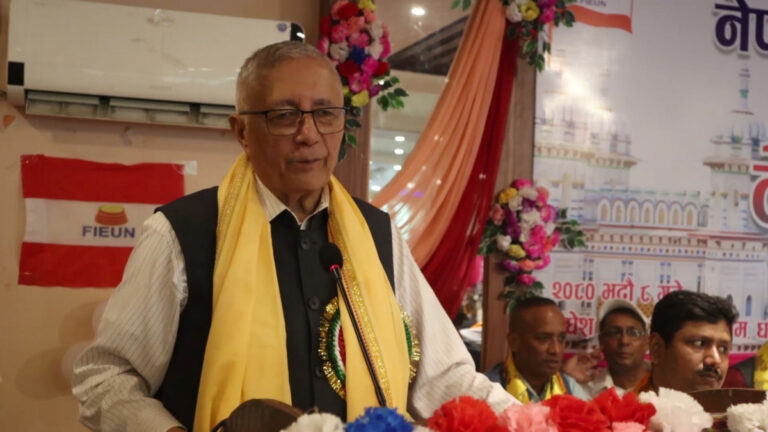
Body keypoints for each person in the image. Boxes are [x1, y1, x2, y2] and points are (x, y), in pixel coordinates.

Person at [72, 41, 518, 432]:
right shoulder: (182, 233)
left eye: (325, 114)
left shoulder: (377, 234)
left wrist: (533, 421)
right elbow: (106, 378)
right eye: (284, 116)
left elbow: (445, 377)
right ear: (242, 132)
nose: (309, 135)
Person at [486, 297, 591, 403]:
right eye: (543, 339)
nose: (556, 350)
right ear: (514, 342)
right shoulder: (488, 392)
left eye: (561, 338)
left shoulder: (568, 387)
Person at [633, 290, 738, 394]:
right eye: (699, 343)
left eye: (723, 349)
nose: (715, 360)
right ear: (656, 348)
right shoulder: (626, 405)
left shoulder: (737, 405)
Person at [568, 299, 650, 397]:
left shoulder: (662, 382)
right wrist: (566, 380)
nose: (624, 341)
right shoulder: (583, 387)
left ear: (647, 342)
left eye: (633, 333)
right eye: (614, 333)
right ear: (601, 341)